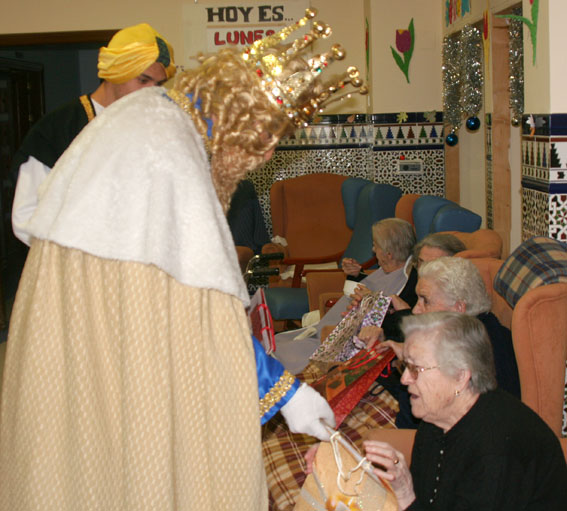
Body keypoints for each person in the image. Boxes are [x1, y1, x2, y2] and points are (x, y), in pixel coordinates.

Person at [0, 8, 362, 510]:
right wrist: (287, 395)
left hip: (68, 330)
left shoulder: (140, 117)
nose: (247, 157)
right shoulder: (169, 146)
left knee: (84, 464)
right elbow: (204, 309)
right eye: (254, 144)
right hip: (118, 334)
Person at [362, 312, 567, 510]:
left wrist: (406, 495)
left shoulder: (496, 450)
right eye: (405, 365)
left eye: (416, 368)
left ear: (460, 376)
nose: (405, 378)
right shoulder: (437, 418)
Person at [11, 22, 176, 246]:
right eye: (143, 80)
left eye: (159, 83)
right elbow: (26, 218)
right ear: (117, 72)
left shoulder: (156, 128)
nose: (152, 92)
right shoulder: (58, 129)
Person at [360, 257, 521, 399]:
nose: (416, 310)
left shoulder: (475, 354)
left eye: (426, 301)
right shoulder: (466, 332)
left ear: (458, 308)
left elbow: (413, 416)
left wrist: (407, 364)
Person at [273, 217, 418, 374]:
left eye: (375, 246)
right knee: (278, 345)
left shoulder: (407, 282)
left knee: (285, 355)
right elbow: (371, 287)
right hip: (334, 327)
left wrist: (370, 301)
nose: (373, 250)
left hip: (347, 339)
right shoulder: (387, 269)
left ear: (389, 254)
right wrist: (356, 276)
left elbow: (391, 316)